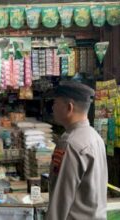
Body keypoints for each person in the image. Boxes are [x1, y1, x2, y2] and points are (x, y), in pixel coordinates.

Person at [46, 81, 108, 220]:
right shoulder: (95, 137)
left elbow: (60, 200)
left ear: (69, 107)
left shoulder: (70, 143)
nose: (52, 107)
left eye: (55, 103)